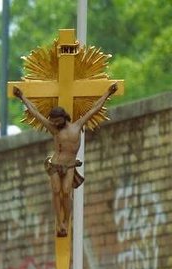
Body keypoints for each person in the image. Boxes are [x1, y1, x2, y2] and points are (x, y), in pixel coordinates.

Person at [14, 82, 117, 237]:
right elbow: (35, 113)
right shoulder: (53, 129)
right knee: (56, 192)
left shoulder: (77, 125)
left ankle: (66, 221)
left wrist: (108, 93)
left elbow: (94, 109)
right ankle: (59, 221)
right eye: (52, 121)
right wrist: (22, 96)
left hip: (69, 166)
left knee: (66, 192)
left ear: (63, 118)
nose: (54, 124)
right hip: (55, 165)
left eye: (56, 121)